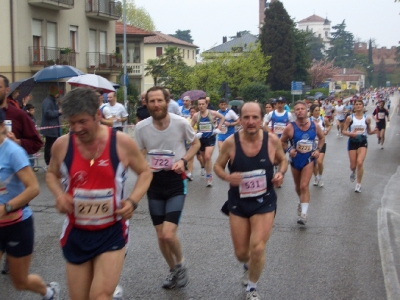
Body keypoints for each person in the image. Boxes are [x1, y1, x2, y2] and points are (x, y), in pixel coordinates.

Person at [45, 87, 153, 300]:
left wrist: (132, 201)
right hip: (77, 230)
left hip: (111, 229)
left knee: (100, 295)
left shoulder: (121, 143)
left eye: (82, 121)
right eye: (71, 122)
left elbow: (145, 172)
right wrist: (59, 195)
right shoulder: (62, 145)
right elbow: (51, 175)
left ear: (97, 115)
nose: (76, 128)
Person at [214, 102, 287, 300]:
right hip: (238, 202)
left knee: (258, 247)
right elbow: (218, 167)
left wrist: (280, 173)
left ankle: (252, 288)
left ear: (262, 118)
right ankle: (248, 264)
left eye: (255, 117)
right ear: (241, 119)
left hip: (264, 200)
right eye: (246, 117)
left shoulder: (272, 141)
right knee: (241, 253)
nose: (251, 121)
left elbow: (283, 160)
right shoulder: (231, 142)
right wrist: (228, 177)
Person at [134, 86, 200, 289]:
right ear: (146, 103)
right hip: (154, 184)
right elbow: (138, 153)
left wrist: (184, 159)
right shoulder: (141, 128)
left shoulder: (180, 123)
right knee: (160, 235)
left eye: (159, 100)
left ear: (167, 101)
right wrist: (142, 165)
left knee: (168, 234)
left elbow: (195, 144)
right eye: (151, 101)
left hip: (175, 182)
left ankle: (181, 264)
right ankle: (173, 271)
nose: (156, 105)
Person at [0, 109, 60, 299]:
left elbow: (33, 188)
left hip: (16, 224)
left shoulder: (13, 152)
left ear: (1, 126)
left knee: (20, 281)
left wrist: (6, 207)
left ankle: (48, 291)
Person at [280, 101, 325, 225]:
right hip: (295, 160)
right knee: (298, 186)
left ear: (306, 111)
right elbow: (282, 142)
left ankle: (304, 215)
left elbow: (322, 138)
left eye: (302, 109)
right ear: (294, 112)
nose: (300, 111)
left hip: (308, 159)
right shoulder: (290, 127)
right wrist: (290, 149)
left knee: (304, 185)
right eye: (297, 109)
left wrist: (318, 150)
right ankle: (301, 202)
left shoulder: (314, 126)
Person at [0, 75, 43, 155]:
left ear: (7, 90)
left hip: (12, 164)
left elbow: (37, 143)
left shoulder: (19, 115)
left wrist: (17, 142)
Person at [191, 97, 225, 187]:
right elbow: (191, 127)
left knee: (207, 157)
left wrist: (218, 128)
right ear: (198, 106)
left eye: (203, 104)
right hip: (201, 139)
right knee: (203, 158)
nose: (201, 106)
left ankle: (209, 176)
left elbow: (222, 118)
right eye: (199, 104)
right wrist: (195, 133)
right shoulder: (196, 116)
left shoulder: (212, 113)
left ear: (206, 104)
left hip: (210, 137)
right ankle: (205, 169)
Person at [342, 99, 375, 192]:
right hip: (352, 141)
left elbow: (369, 131)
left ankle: (358, 184)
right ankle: (353, 171)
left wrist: (374, 132)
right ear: (354, 107)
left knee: (360, 162)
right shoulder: (350, 118)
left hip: (362, 141)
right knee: (353, 165)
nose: (358, 106)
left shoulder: (367, 118)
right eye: (356, 104)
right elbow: (343, 131)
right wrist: (350, 134)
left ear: (363, 106)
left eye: (360, 104)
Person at [309, 104, 330, 187]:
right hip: (312, 144)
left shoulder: (323, 119)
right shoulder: (309, 121)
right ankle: (316, 177)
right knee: (314, 163)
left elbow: (329, 125)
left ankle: (320, 177)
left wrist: (326, 130)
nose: (317, 112)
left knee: (319, 161)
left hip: (322, 143)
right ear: (312, 112)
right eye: (316, 110)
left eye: (318, 110)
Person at [41, 85, 62, 166]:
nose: (58, 94)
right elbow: (47, 113)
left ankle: (52, 161)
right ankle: (48, 162)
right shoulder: (48, 101)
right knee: (49, 146)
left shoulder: (52, 101)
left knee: (52, 145)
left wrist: (58, 106)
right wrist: (58, 112)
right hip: (50, 128)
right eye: (57, 93)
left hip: (54, 127)